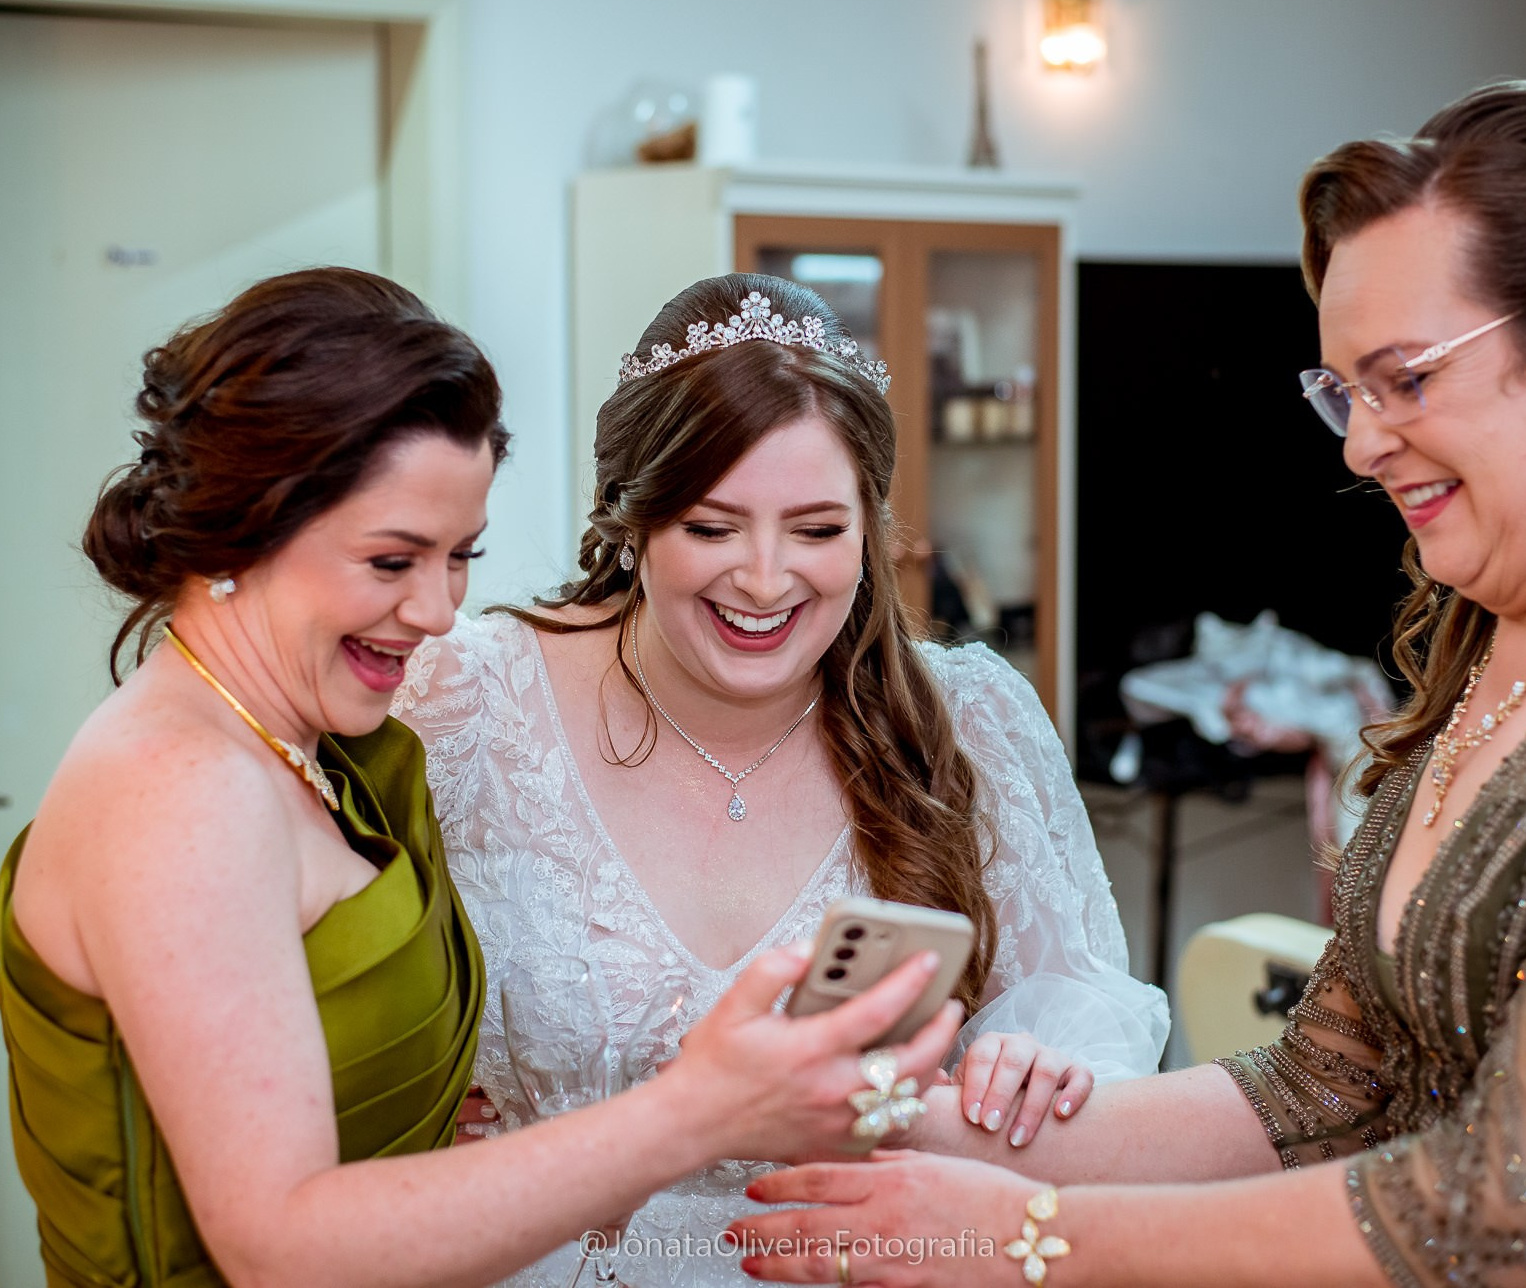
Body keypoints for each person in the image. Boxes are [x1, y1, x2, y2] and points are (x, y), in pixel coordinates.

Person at [727, 81, 1526, 1288]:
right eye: (1343, 391)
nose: (1358, 444)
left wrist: (1025, 1236)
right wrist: (911, 1123)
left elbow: (1509, 1215)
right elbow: (1320, 1090)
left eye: (1406, 377)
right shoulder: (1501, 632)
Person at [0, 268, 961, 1288]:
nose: (438, 609)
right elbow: (278, 1245)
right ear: (247, 523)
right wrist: (697, 1110)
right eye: (390, 559)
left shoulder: (301, 748)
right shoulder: (178, 788)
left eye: (459, 555)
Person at [392, 273, 1168, 1285]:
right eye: (711, 529)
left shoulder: (963, 718)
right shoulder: (465, 696)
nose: (763, 580)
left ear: (869, 526)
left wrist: (1038, 1069)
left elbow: (1072, 999)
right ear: (631, 521)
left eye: (814, 529)